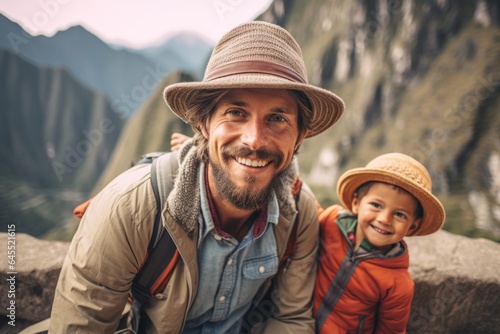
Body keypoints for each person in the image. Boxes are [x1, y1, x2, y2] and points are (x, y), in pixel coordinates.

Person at [48, 21, 345, 333]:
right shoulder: (132, 208)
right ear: (204, 124)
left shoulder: (298, 213)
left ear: (299, 137)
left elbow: (290, 319)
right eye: (236, 113)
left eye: (277, 118)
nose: (255, 140)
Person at [314, 153, 446, 333]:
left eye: (400, 214)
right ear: (356, 204)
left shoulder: (398, 284)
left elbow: (390, 330)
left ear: (412, 227)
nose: (384, 219)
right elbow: (307, 214)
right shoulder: (332, 222)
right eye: (376, 205)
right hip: (300, 322)